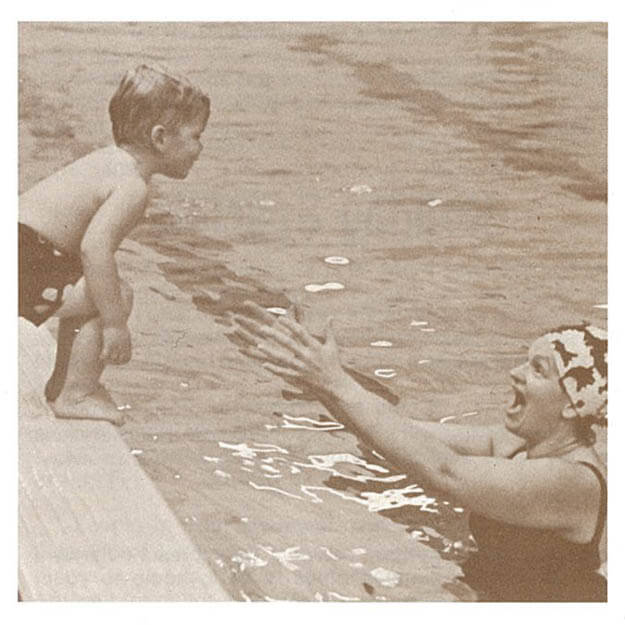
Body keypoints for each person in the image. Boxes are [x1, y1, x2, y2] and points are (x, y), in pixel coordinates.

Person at [231, 303, 607, 602]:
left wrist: (334, 381)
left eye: (537, 370)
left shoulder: (574, 482)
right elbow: (402, 436)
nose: (515, 373)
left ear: (573, 405)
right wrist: (319, 384)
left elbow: (444, 472)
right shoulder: (512, 447)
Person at [19, 64, 210, 425]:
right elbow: (95, 250)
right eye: (197, 136)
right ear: (160, 137)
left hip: (21, 248)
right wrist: (114, 325)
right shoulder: (133, 187)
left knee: (95, 292)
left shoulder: (109, 161)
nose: (200, 148)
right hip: (22, 258)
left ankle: (65, 385)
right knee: (115, 296)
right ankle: (74, 394)